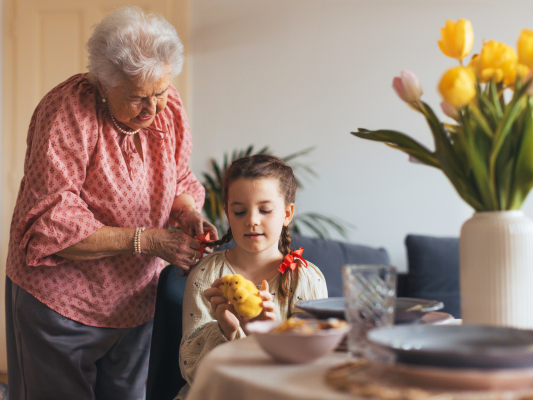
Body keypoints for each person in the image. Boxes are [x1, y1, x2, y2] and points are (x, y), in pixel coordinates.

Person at [4, 7, 217, 400]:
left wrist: (186, 211)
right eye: (137, 98)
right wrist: (147, 241)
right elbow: (52, 222)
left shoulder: (166, 105)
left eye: (160, 93)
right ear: (103, 83)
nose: (153, 110)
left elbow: (178, 177)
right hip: (62, 302)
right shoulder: (68, 112)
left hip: (135, 301)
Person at [177, 154, 328, 399]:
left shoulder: (306, 279)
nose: (252, 220)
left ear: (287, 213)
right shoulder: (206, 274)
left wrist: (268, 333)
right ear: (227, 212)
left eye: (265, 209)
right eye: (239, 211)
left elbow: (311, 367)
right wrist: (224, 331)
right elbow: (192, 370)